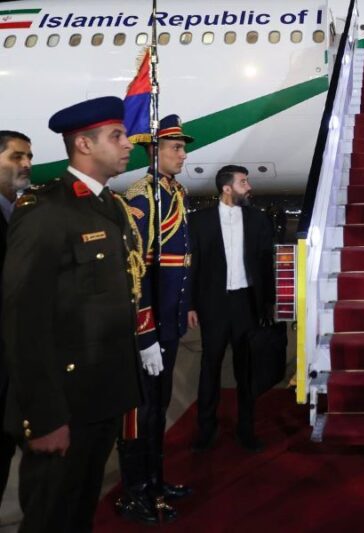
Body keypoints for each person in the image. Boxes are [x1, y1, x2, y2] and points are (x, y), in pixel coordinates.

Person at [2, 96, 142, 532]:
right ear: (83, 144)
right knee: (50, 518)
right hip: (62, 408)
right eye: (117, 136)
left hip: (100, 399)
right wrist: (45, 418)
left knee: (79, 515)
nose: (128, 144)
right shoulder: (46, 210)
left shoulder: (109, 206)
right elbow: (23, 321)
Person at [114, 114, 193, 524]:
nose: (183, 154)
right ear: (154, 152)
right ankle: (135, 490)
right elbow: (136, 271)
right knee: (141, 412)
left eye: (183, 148)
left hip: (170, 321)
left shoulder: (173, 192)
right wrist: (145, 333)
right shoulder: (142, 197)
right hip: (149, 327)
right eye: (175, 148)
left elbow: (182, 263)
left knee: (159, 408)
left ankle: (155, 480)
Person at [188, 165, 275, 452]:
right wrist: (190, 304)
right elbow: (192, 266)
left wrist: (268, 303)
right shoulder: (199, 221)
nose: (249, 187)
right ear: (227, 188)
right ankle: (206, 429)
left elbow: (266, 264)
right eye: (243, 182)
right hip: (213, 304)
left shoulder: (258, 219)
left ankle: (246, 430)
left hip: (246, 303)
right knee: (210, 367)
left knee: (246, 371)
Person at [0, 130, 32, 500]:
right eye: (16, 156)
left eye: (29, 157)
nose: (26, 164)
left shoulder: (25, 214)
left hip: (20, 373)